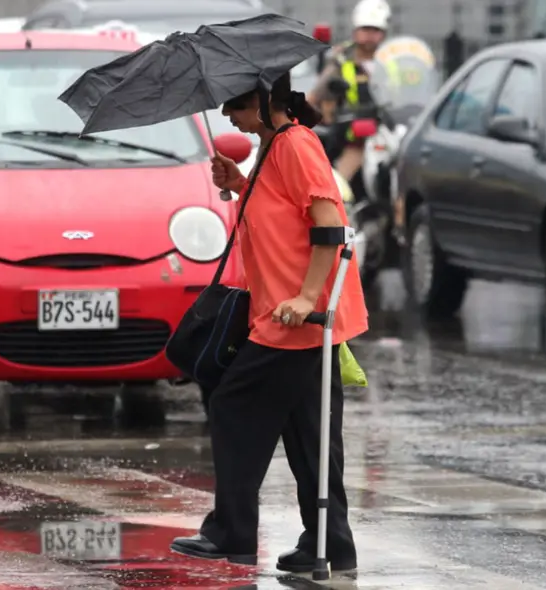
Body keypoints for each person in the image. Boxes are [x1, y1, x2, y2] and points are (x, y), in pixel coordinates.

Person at [169, 72, 369, 574]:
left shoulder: (296, 145)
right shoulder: (275, 145)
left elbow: (328, 224)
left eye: (234, 103)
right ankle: (331, 545)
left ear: (262, 101)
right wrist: (239, 184)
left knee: (233, 406)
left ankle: (231, 534)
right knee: (311, 436)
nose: (226, 115)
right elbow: (282, 216)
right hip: (287, 314)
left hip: (295, 318)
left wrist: (306, 297)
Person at [307, 0, 391, 182]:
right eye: (365, 29)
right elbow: (318, 94)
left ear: (383, 34)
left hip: (388, 131)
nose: (370, 35)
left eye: (375, 30)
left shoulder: (391, 59)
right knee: (340, 181)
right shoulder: (341, 58)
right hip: (354, 134)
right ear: (355, 31)